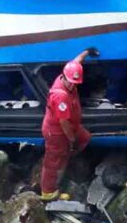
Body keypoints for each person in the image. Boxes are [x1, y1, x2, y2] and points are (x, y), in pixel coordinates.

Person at [39, 48, 98, 201]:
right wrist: (71, 138)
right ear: (64, 77)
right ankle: (48, 192)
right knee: (52, 161)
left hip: (72, 126)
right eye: (71, 83)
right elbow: (63, 122)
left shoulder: (69, 73)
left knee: (84, 138)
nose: (73, 86)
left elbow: (76, 61)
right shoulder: (60, 95)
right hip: (57, 132)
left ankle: (67, 156)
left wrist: (87, 52)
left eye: (75, 83)